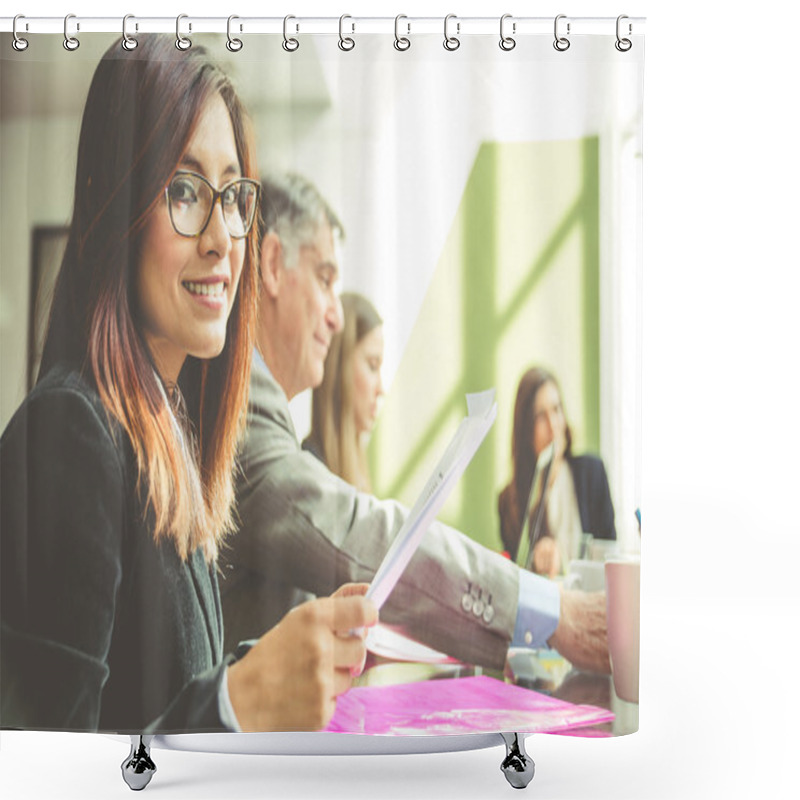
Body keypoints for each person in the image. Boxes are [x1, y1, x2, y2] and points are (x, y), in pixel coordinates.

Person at [0, 36, 376, 736]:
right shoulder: (69, 432)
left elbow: (154, 696)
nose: (221, 237)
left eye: (233, 196)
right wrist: (238, 704)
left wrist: (282, 661)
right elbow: (40, 768)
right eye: (182, 190)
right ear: (115, 208)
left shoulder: (172, 432)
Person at [219, 172, 609, 675]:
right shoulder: (245, 420)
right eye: (324, 278)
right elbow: (362, 533)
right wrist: (550, 609)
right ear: (272, 265)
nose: (335, 317)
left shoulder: (261, 416)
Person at [498, 367, 616, 578]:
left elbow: (610, 558)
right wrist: (535, 560)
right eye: (540, 416)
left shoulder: (593, 474)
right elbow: (516, 579)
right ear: (525, 429)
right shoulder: (510, 503)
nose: (553, 426)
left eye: (556, 409)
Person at [302, 292, 385, 492]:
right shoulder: (308, 475)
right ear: (340, 370)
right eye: (372, 366)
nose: (381, 389)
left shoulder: (357, 473)